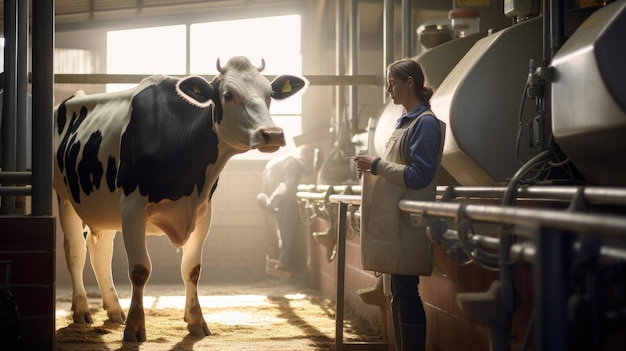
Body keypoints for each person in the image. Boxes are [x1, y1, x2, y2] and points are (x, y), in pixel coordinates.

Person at [354, 58, 445, 351]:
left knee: (407, 292)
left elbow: (420, 175)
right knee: (399, 291)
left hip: (409, 220)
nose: (388, 89)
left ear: (410, 83)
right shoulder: (405, 121)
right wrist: (375, 167)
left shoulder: (426, 124)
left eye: (392, 83)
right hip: (397, 219)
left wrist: (377, 165)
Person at [257, 147, 313, 277]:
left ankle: (281, 265)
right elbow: (288, 185)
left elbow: (269, 188)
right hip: (282, 201)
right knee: (287, 233)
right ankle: (283, 265)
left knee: (280, 234)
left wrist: (268, 202)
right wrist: (272, 202)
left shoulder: (273, 163)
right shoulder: (293, 163)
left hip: (273, 199)